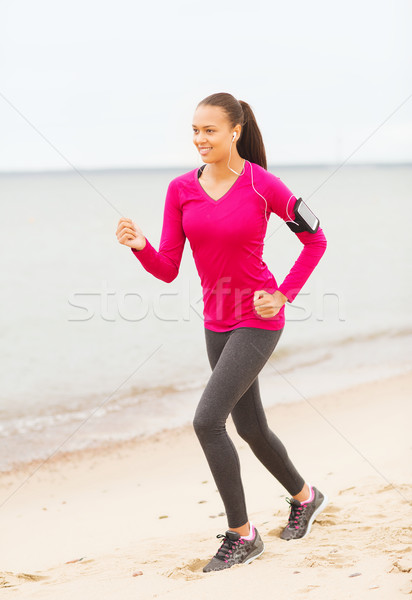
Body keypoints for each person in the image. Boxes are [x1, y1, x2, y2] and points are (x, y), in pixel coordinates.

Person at [116, 92, 328, 573]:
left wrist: (284, 294)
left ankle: (242, 534)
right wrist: (141, 245)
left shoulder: (262, 184)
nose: (199, 139)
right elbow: (169, 268)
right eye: (194, 130)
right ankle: (305, 496)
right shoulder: (180, 190)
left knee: (207, 421)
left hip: (258, 318)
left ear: (234, 131)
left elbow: (315, 238)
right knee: (249, 427)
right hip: (216, 322)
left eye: (209, 130)